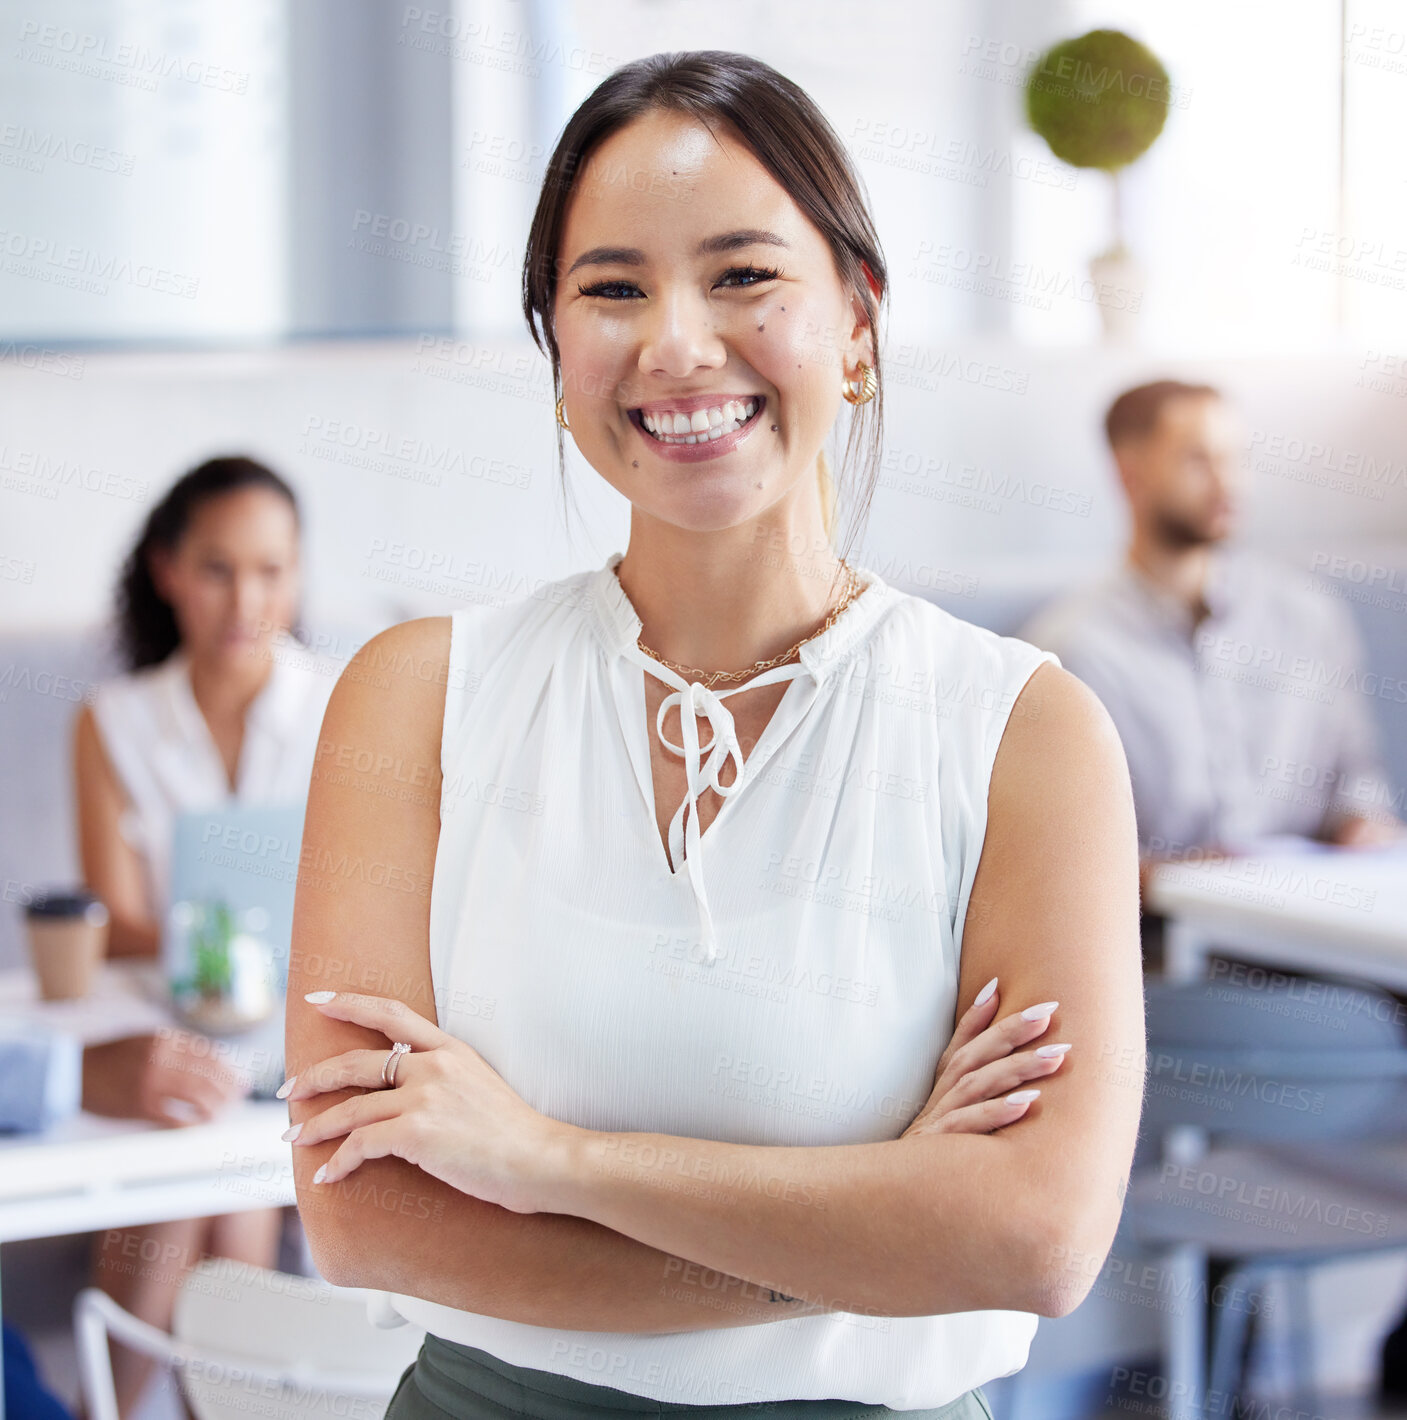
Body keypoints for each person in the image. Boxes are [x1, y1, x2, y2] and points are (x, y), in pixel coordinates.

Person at [285, 51, 1145, 1418]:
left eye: (742, 276)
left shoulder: (1023, 733)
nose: (676, 344)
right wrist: (882, 1222)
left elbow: (1031, 1240)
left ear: (856, 326)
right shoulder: (412, 698)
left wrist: (546, 1162)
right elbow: (369, 1224)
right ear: (555, 351)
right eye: (611, 287)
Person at [70, 457, 337, 1419]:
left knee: (216, 1153)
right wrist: (218, 952)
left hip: (294, 1033)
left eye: (272, 570)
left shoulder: (339, 703)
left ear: (299, 576)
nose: (247, 599)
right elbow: (113, 926)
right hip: (169, 1027)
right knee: (203, 1137)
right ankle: (201, 1400)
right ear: (168, 572)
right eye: (218, 569)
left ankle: (137, 1399)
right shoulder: (115, 722)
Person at [1020, 378, 1404, 927]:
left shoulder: (1309, 617)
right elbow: (1053, 861)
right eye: (1198, 460)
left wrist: (1362, 827)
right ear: (1131, 476)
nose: (1228, 482)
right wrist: (1177, 876)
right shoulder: (1071, 651)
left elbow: (1356, 782)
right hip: (1173, 944)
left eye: (1236, 458)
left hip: (1326, 926)